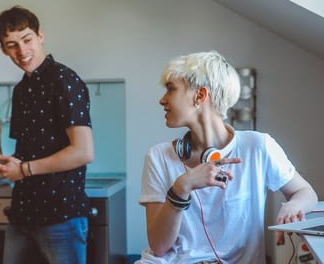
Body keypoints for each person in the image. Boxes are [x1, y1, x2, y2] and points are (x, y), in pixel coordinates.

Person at [136, 51, 317, 264]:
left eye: (171, 89)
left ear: (200, 96)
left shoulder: (258, 146)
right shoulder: (158, 157)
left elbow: (306, 192)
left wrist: (293, 206)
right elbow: (159, 247)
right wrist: (181, 188)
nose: (162, 100)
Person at [0, 6, 94, 264]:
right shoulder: (21, 90)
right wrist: (3, 166)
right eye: (12, 45)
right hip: (23, 214)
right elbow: (28, 152)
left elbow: (83, 152)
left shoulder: (65, 80)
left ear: (40, 35)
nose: (22, 51)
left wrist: (24, 169)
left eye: (27, 39)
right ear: (4, 50)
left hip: (61, 215)